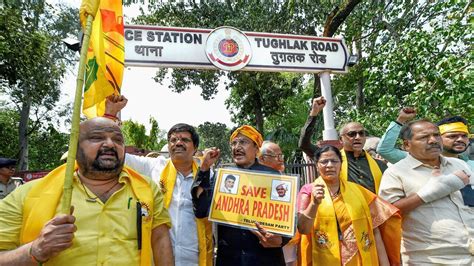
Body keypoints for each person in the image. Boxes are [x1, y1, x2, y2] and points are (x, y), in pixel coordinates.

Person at [0, 117, 173, 265]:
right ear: (74, 148)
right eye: (97, 137)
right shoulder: (29, 194)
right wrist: (35, 250)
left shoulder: (148, 190)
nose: (110, 144)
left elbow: (160, 241)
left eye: (118, 140)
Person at [105, 95, 214, 266]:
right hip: (157, 257)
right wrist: (111, 115)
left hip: (195, 258)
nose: (178, 143)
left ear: (195, 147)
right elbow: (116, 156)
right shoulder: (153, 166)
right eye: (173, 140)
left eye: (184, 140)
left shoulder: (209, 175)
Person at [378, 120, 474, 264]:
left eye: (436, 135)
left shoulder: (459, 165)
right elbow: (387, 214)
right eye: (424, 137)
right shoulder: (396, 173)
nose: (433, 140)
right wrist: (430, 193)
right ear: (406, 145)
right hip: (430, 259)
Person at [192, 125, 290, 266]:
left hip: (266, 259)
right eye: (234, 143)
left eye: (243, 142)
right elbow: (201, 210)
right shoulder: (223, 176)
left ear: (256, 149)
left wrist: (281, 240)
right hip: (230, 259)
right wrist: (204, 169)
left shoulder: (273, 177)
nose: (237, 147)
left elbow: (287, 218)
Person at [298, 145, 401, 265]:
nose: (330, 165)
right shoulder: (309, 191)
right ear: (317, 166)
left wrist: (385, 264)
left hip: (358, 258)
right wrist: (314, 204)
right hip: (322, 257)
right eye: (324, 161)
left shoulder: (358, 192)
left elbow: (374, 230)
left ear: (341, 164)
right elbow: (303, 229)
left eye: (334, 161)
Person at [299, 96, 387, 193]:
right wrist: (314, 112)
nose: (358, 137)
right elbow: (304, 144)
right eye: (352, 134)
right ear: (341, 139)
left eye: (361, 133)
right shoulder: (332, 160)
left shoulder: (379, 165)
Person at [377, 108, 473, 169]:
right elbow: (385, 150)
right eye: (452, 136)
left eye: (464, 136)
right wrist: (400, 121)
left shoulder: (470, 165)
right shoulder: (416, 159)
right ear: (438, 138)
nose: (460, 139)